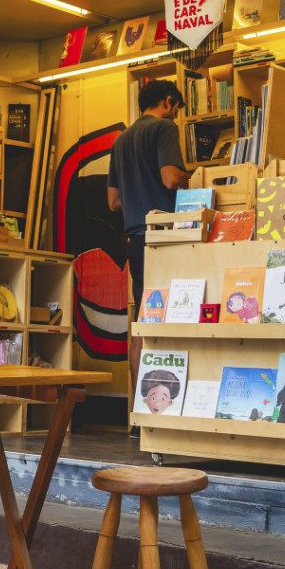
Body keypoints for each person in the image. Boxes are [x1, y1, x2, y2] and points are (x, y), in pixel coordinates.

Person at [107, 79, 188, 381]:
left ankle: (140, 411)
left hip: (135, 238)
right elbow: (170, 179)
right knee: (178, 312)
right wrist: (193, 180)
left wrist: (136, 198)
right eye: (176, 109)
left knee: (143, 319)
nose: (175, 116)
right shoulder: (164, 128)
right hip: (164, 235)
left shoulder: (121, 140)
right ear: (168, 102)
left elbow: (113, 201)